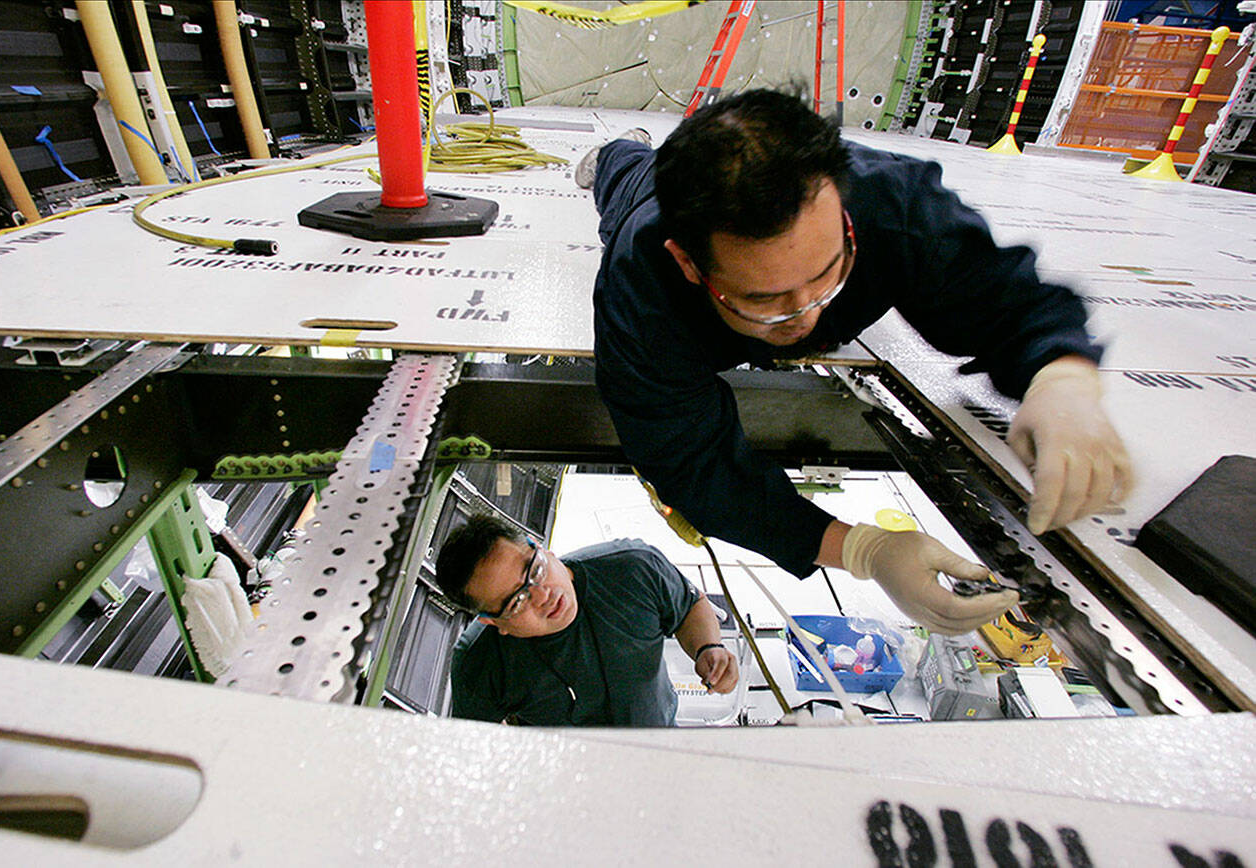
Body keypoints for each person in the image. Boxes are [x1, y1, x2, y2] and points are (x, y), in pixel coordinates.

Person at [580, 89, 1132, 635]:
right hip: (642, 199)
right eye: (764, 298)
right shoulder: (640, 289)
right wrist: (863, 550)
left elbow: (1000, 294)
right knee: (627, 178)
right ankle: (617, 153)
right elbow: (692, 466)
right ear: (690, 265)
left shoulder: (891, 201)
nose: (805, 317)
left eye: (826, 274)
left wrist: (1060, 378)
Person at [437, 515, 738, 726]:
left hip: (665, 748)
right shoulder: (479, 663)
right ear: (493, 622)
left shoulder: (632, 567)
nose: (543, 596)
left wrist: (707, 648)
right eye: (517, 601)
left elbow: (690, 604)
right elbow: (473, 744)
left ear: (541, 548)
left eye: (536, 570)